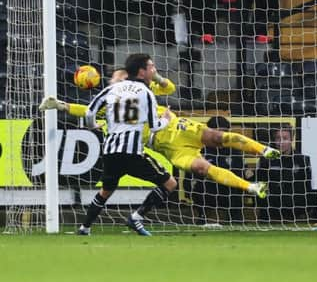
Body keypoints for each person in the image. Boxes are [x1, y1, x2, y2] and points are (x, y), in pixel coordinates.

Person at [39, 69, 280, 205]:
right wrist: (61, 106)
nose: (119, 81)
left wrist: (155, 76)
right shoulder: (110, 103)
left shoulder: (143, 90)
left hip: (179, 129)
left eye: (123, 77)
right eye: (116, 78)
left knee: (218, 138)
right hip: (171, 150)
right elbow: (86, 110)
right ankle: (251, 187)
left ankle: (263, 149)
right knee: (202, 168)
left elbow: (170, 88)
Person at [79, 53, 176, 236]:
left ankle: (85, 227)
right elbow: (154, 126)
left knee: (105, 191)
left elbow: (89, 112)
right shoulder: (146, 92)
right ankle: (137, 217)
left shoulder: (113, 88)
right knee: (169, 183)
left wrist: (94, 126)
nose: (154, 70)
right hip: (131, 153)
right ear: (141, 71)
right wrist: (166, 120)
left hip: (110, 151)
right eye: (151, 66)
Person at [255, 125, 317, 223]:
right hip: (275, 202)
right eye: (278, 138)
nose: (281, 142)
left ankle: (315, 223)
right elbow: (261, 182)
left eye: (285, 138)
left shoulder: (303, 159)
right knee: (260, 190)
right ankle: (264, 222)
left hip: (296, 201)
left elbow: (307, 186)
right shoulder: (266, 160)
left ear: (292, 139)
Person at [193, 116, 245, 224]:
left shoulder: (234, 150)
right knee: (201, 187)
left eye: (224, 132)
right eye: (218, 131)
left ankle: (236, 222)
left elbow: (239, 172)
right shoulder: (200, 150)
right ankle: (203, 220)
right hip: (208, 187)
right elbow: (193, 174)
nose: (221, 135)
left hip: (228, 188)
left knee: (236, 189)